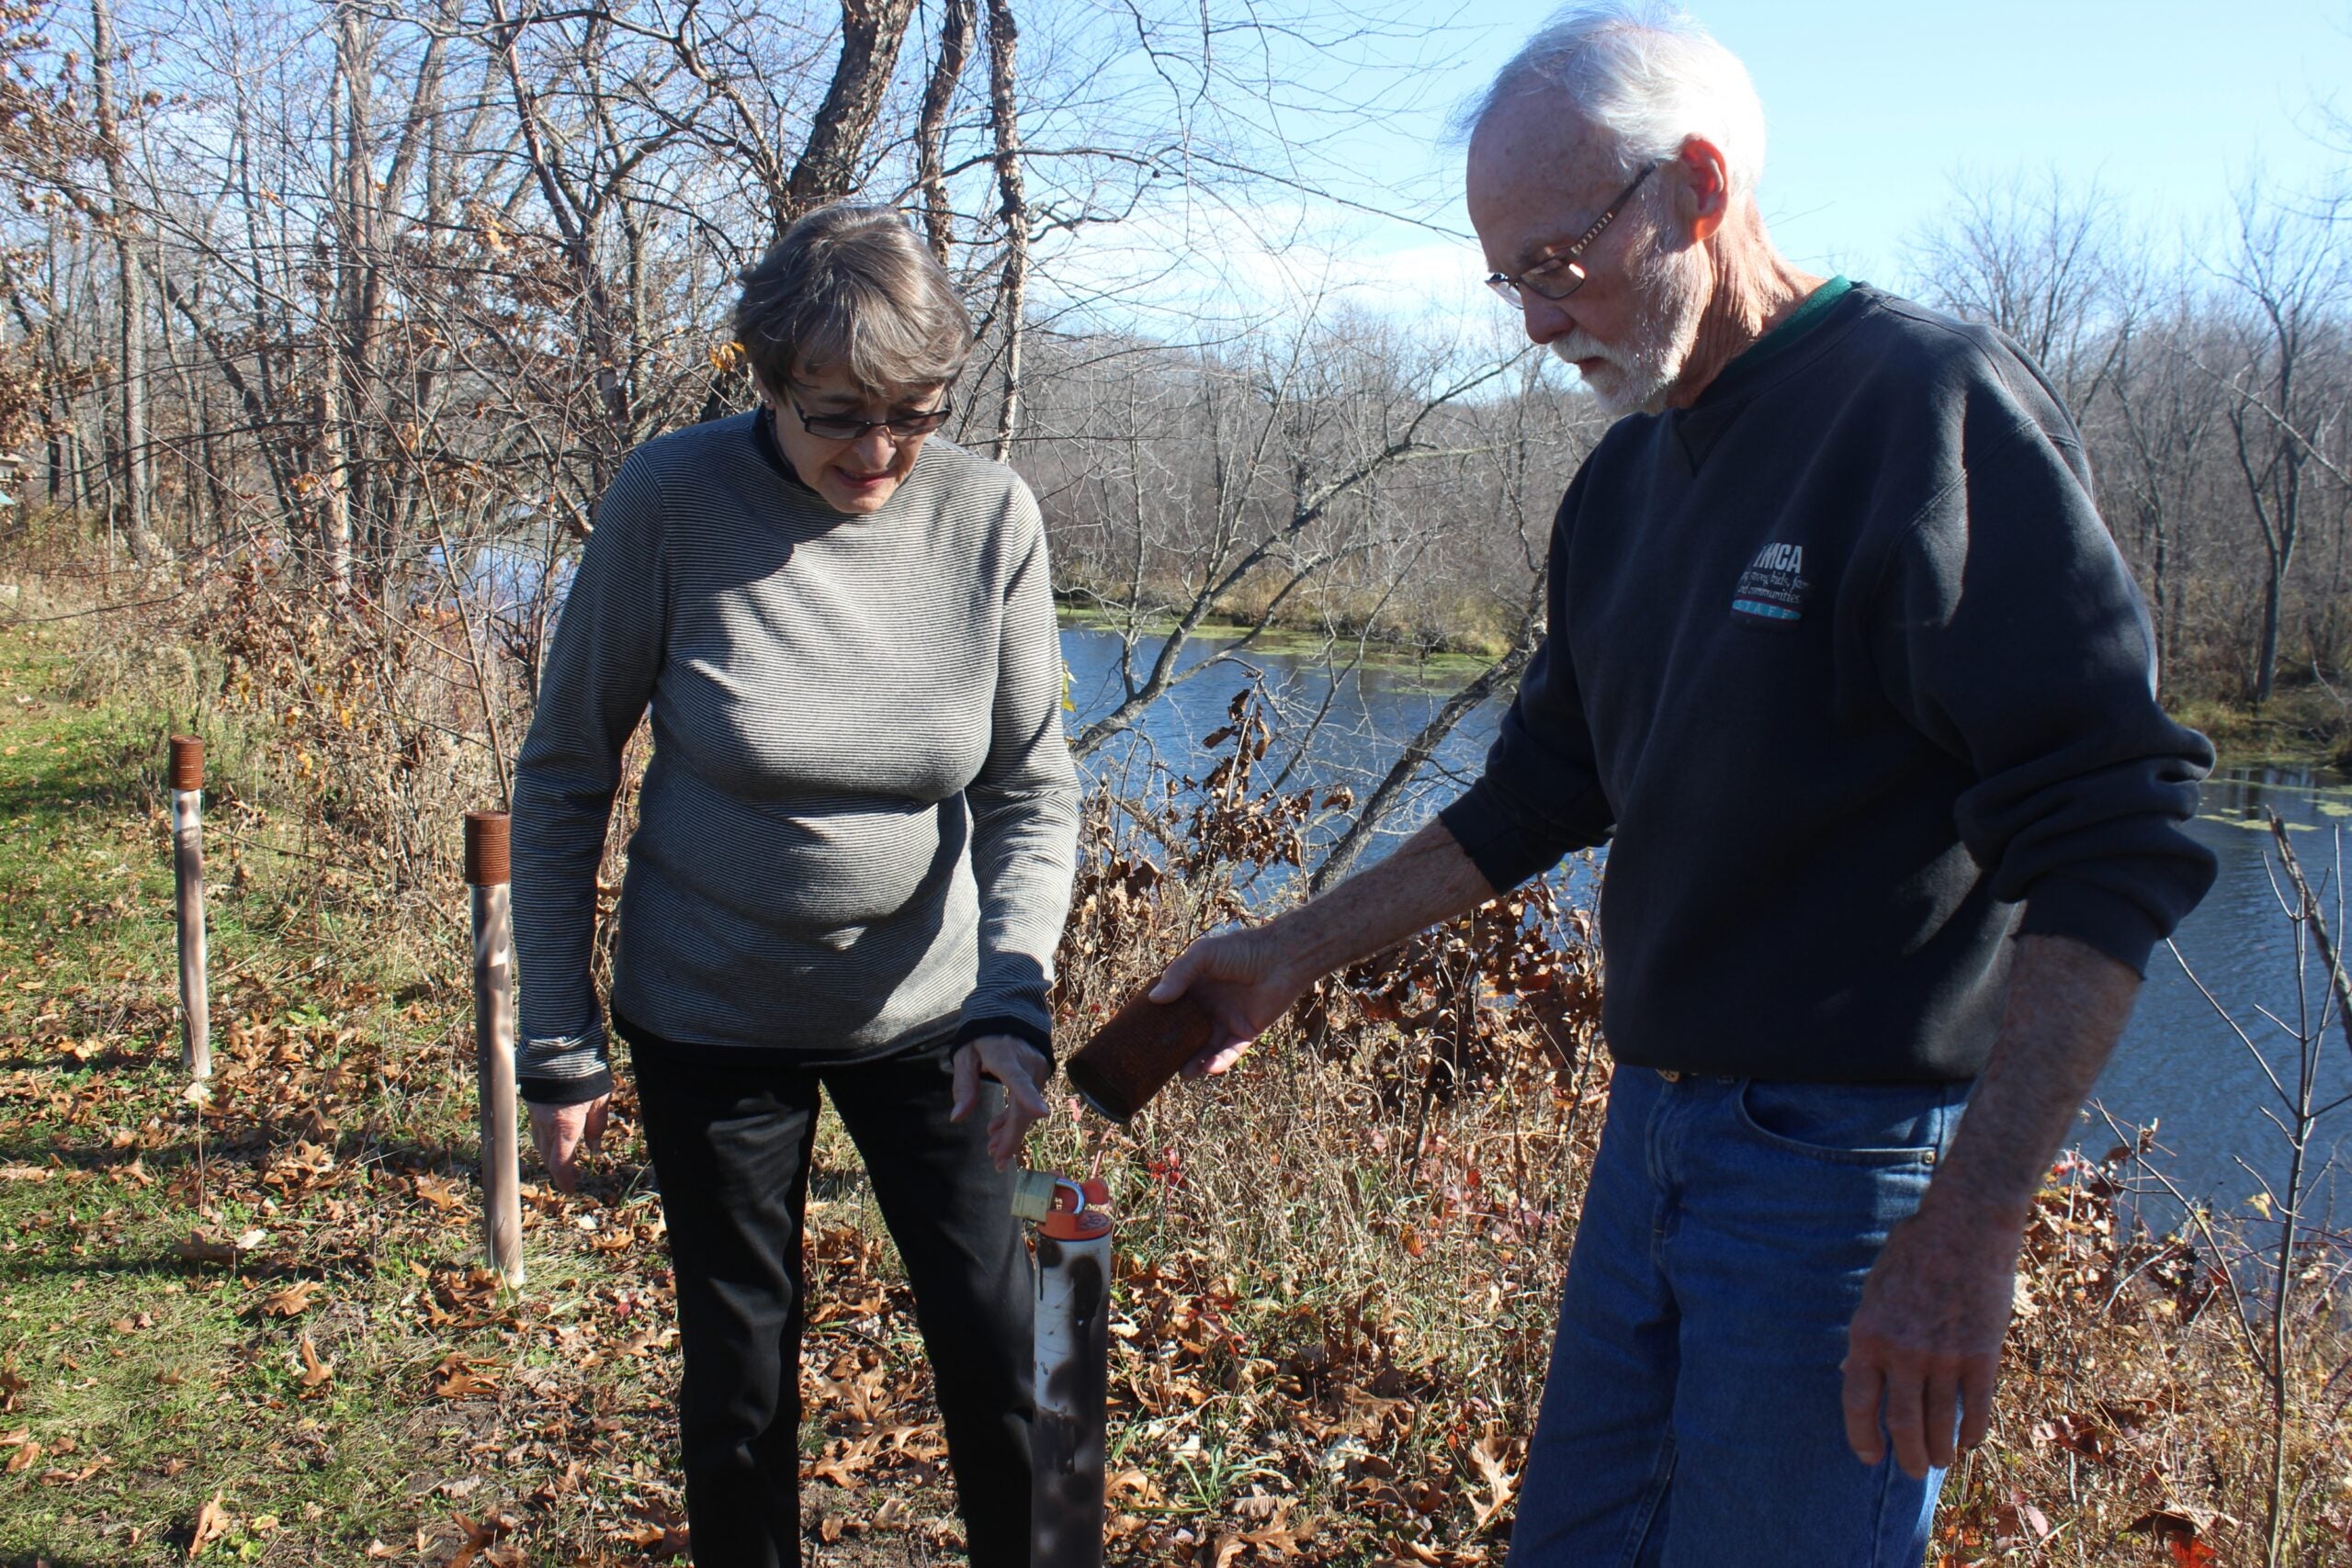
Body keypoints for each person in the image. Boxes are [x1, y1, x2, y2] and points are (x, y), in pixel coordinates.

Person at [1142, 7, 2217, 1565]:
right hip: (1651, 1132)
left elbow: (2114, 829)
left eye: (1555, 263)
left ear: (1696, 188)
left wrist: (1970, 1225)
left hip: (1847, 1173)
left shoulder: (1925, 414)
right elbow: (1537, 795)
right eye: (1505, 277)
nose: (1531, 321)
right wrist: (1291, 952)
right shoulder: (1625, 484)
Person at [507, 204, 1080, 1568]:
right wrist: (558, 1038)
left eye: (913, 415)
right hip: (709, 1011)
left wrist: (1015, 997)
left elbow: (1029, 787)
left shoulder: (989, 517)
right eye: (836, 416)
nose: (876, 453)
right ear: (765, 379)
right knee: (743, 1373)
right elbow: (566, 771)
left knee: (1018, 1351)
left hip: (936, 1014)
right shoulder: (673, 499)